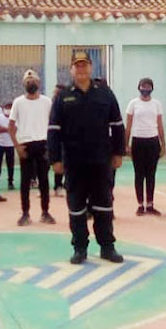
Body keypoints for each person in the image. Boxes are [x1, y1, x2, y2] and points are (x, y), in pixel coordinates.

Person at [48, 51, 125, 265]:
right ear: (71, 70)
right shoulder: (63, 97)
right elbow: (54, 129)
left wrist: (118, 153)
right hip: (73, 162)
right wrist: (55, 159)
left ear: (91, 68)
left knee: (104, 205)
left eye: (84, 65)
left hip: (101, 161)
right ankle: (80, 248)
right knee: (76, 206)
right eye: (77, 66)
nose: (81, 69)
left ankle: (107, 246)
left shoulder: (105, 93)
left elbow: (117, 125)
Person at [9, 70, 55, 226]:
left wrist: (51, 145)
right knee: (25, 181)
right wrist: (17, 146)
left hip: (43, 144)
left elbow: (53, 125)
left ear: (39, 83)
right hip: (25, 146)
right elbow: (11, 126)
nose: (31, 83)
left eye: (33, 81)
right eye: (28, 81)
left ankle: (45, 212)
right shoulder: (18, 102)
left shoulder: (47, 102)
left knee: (44, 181)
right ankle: (25, 213)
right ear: (24, 84)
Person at [124, 78, 166, 216]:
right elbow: (128, 125)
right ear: (139, 87)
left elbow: (160, 124)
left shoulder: (156, 104)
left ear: (152, 88)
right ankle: (140, 204)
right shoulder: (133, 104)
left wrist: (163, 144)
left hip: (152, 141)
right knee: (139, 174)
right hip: (138, 141)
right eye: (143, 86)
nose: (145, 88)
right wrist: (126, 144)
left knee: (151, 174)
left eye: (148, 86)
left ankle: (150, 204)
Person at [0, 102, 15, 191]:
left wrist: (5, 129)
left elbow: (15, 129)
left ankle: (10, 182)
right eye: (7, 107)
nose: (8, 110)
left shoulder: (14, 118)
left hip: (10, 144)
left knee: (10, 164)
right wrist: (8, 129)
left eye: (10, 108)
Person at [51, 84, 66, 197]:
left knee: (63, 162)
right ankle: (44, 187)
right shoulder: (49, 104)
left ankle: (60, 186)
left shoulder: (66, 105)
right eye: (54, 93)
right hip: (51, 138)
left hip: (64, 139)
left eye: (57, 93)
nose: (55, 95)